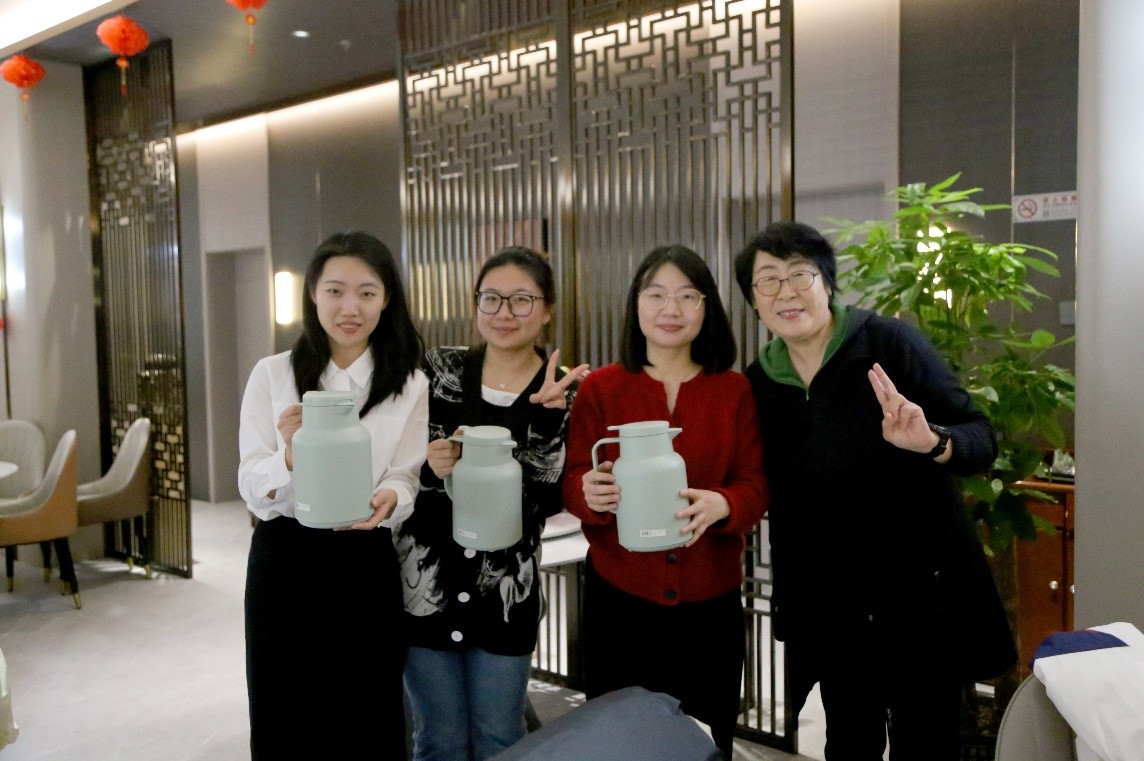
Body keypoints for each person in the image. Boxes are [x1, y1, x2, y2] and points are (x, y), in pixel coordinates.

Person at [732, 221, 1016, 760]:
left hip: (920, 602)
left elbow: (980, 437)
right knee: (848, 744)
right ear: (754, 299)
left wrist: (933, 441)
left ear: (827, 283)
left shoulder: (888, 344)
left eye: (800, 275)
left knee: (927, 745)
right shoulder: (759, 382)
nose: (786, 292)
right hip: (833, 610)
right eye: (768, 280)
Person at [563, 244, 769, 759]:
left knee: (703, 743)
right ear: (636, 303)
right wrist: (588, 492)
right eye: (656, 295)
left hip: (709, 607)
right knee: (617, 744)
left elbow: (755, 484)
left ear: (706, 307)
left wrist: (724, 505)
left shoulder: (734, 390)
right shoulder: (601, 388)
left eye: (686, 296)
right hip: (620, 603)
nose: (670, 309)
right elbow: (573, 477)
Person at [393, 246, 590, 761]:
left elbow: (547, 500)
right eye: (492, 298)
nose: (504, 312)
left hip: (504, 596)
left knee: (500, 737)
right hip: (425, 588)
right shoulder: (438, 369)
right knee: (436, 740)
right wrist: (429, 469)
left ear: (546, 310)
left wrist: (547, 421)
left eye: (522, 299)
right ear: (476, 303)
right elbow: (395, 461)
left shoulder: (563, 388)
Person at [238, 231, 429, 760]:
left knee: (367, 714)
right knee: (284, 716)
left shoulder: (409, 383)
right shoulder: (273, 374)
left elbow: (406, 475)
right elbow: (251, 485)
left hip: (364, 559)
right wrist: (289, 457)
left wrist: (391, 497)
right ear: (313, 295)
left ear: (386, 299)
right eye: (335, 291)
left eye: (367, 292)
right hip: (286, 559)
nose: (351, 308)